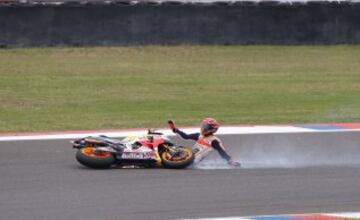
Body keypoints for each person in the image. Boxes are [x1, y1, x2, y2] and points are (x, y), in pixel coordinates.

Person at [168, 118, 240, 167]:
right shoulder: (199, 135)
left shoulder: (214, 140)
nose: (203, 128)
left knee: (173, 160)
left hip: (194, 161)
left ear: (211, 129)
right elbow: (186, 136)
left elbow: (221, 151)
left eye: (206, 127)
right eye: (203, 126)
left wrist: (230, 161)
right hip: (186, 155)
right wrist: (175, 130)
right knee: (173, 148)